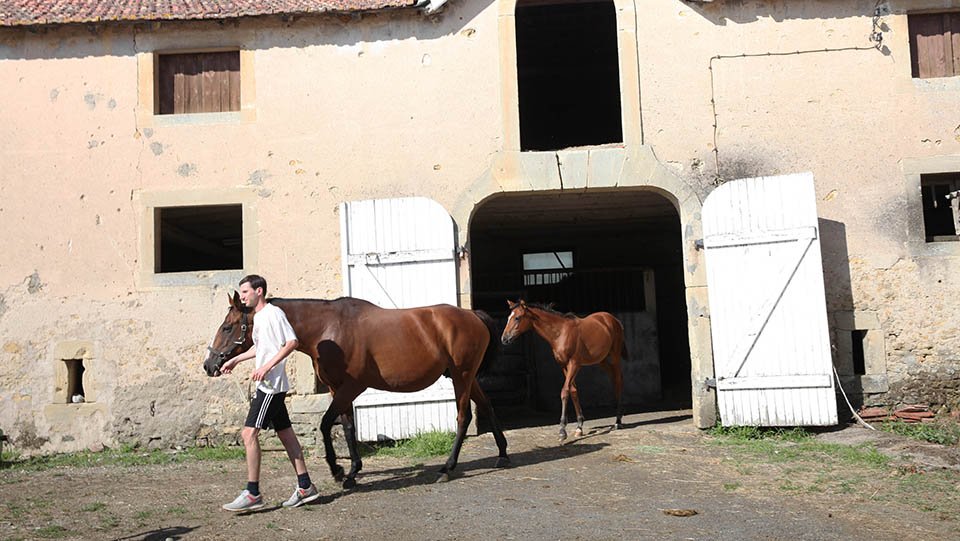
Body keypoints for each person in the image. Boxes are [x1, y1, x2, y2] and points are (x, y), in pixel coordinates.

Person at [217, 274, 320, 511]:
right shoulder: (259, 316)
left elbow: (292, 342)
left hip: (271, 386)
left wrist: (266, 367)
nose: (242, 297)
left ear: (259, 291)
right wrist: (236, 360)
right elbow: (260, 347)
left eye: (245, 292)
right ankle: (305, 486)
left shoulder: (274, 313)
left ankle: (252, 492)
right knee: (286, 435)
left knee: (248, 434)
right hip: (270, 385)